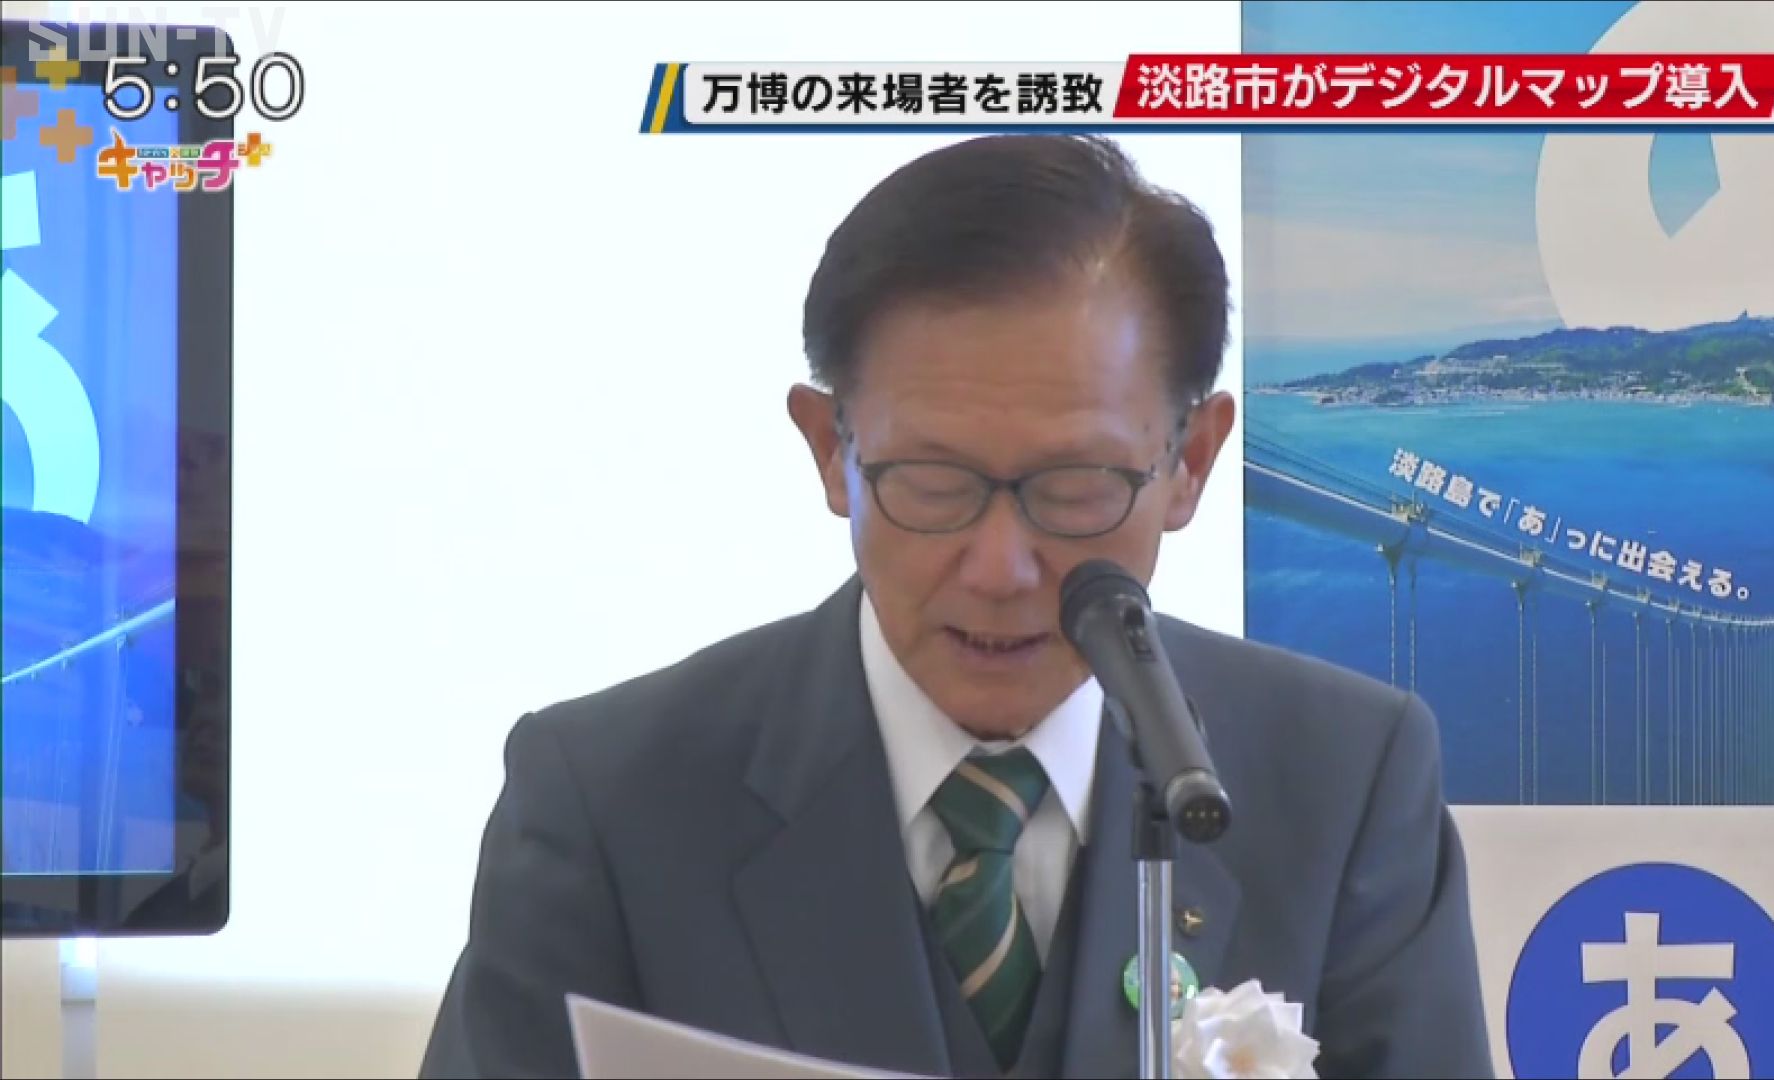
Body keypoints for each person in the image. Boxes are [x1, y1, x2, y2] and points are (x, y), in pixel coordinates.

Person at [419, 134, 1493, 1080]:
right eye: (932, 483)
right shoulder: (611, 800)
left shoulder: (1346, 781)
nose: (1000, 566)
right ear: (830, 451)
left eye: (1075, 486)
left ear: (1191, 463)